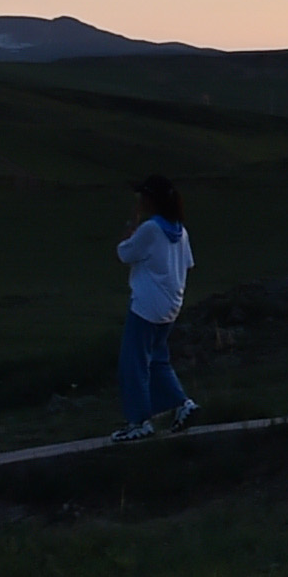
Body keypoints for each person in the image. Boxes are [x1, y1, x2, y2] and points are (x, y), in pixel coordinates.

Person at [110, 175, 198, 443]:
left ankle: (139, 421)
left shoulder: (150, 229)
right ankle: (183, 404)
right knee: (158, 360)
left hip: (146, 305)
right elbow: (188, 265)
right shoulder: (180, 231)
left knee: (133, 363)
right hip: (171, 305)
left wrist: (130, 228)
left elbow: (124, 253)